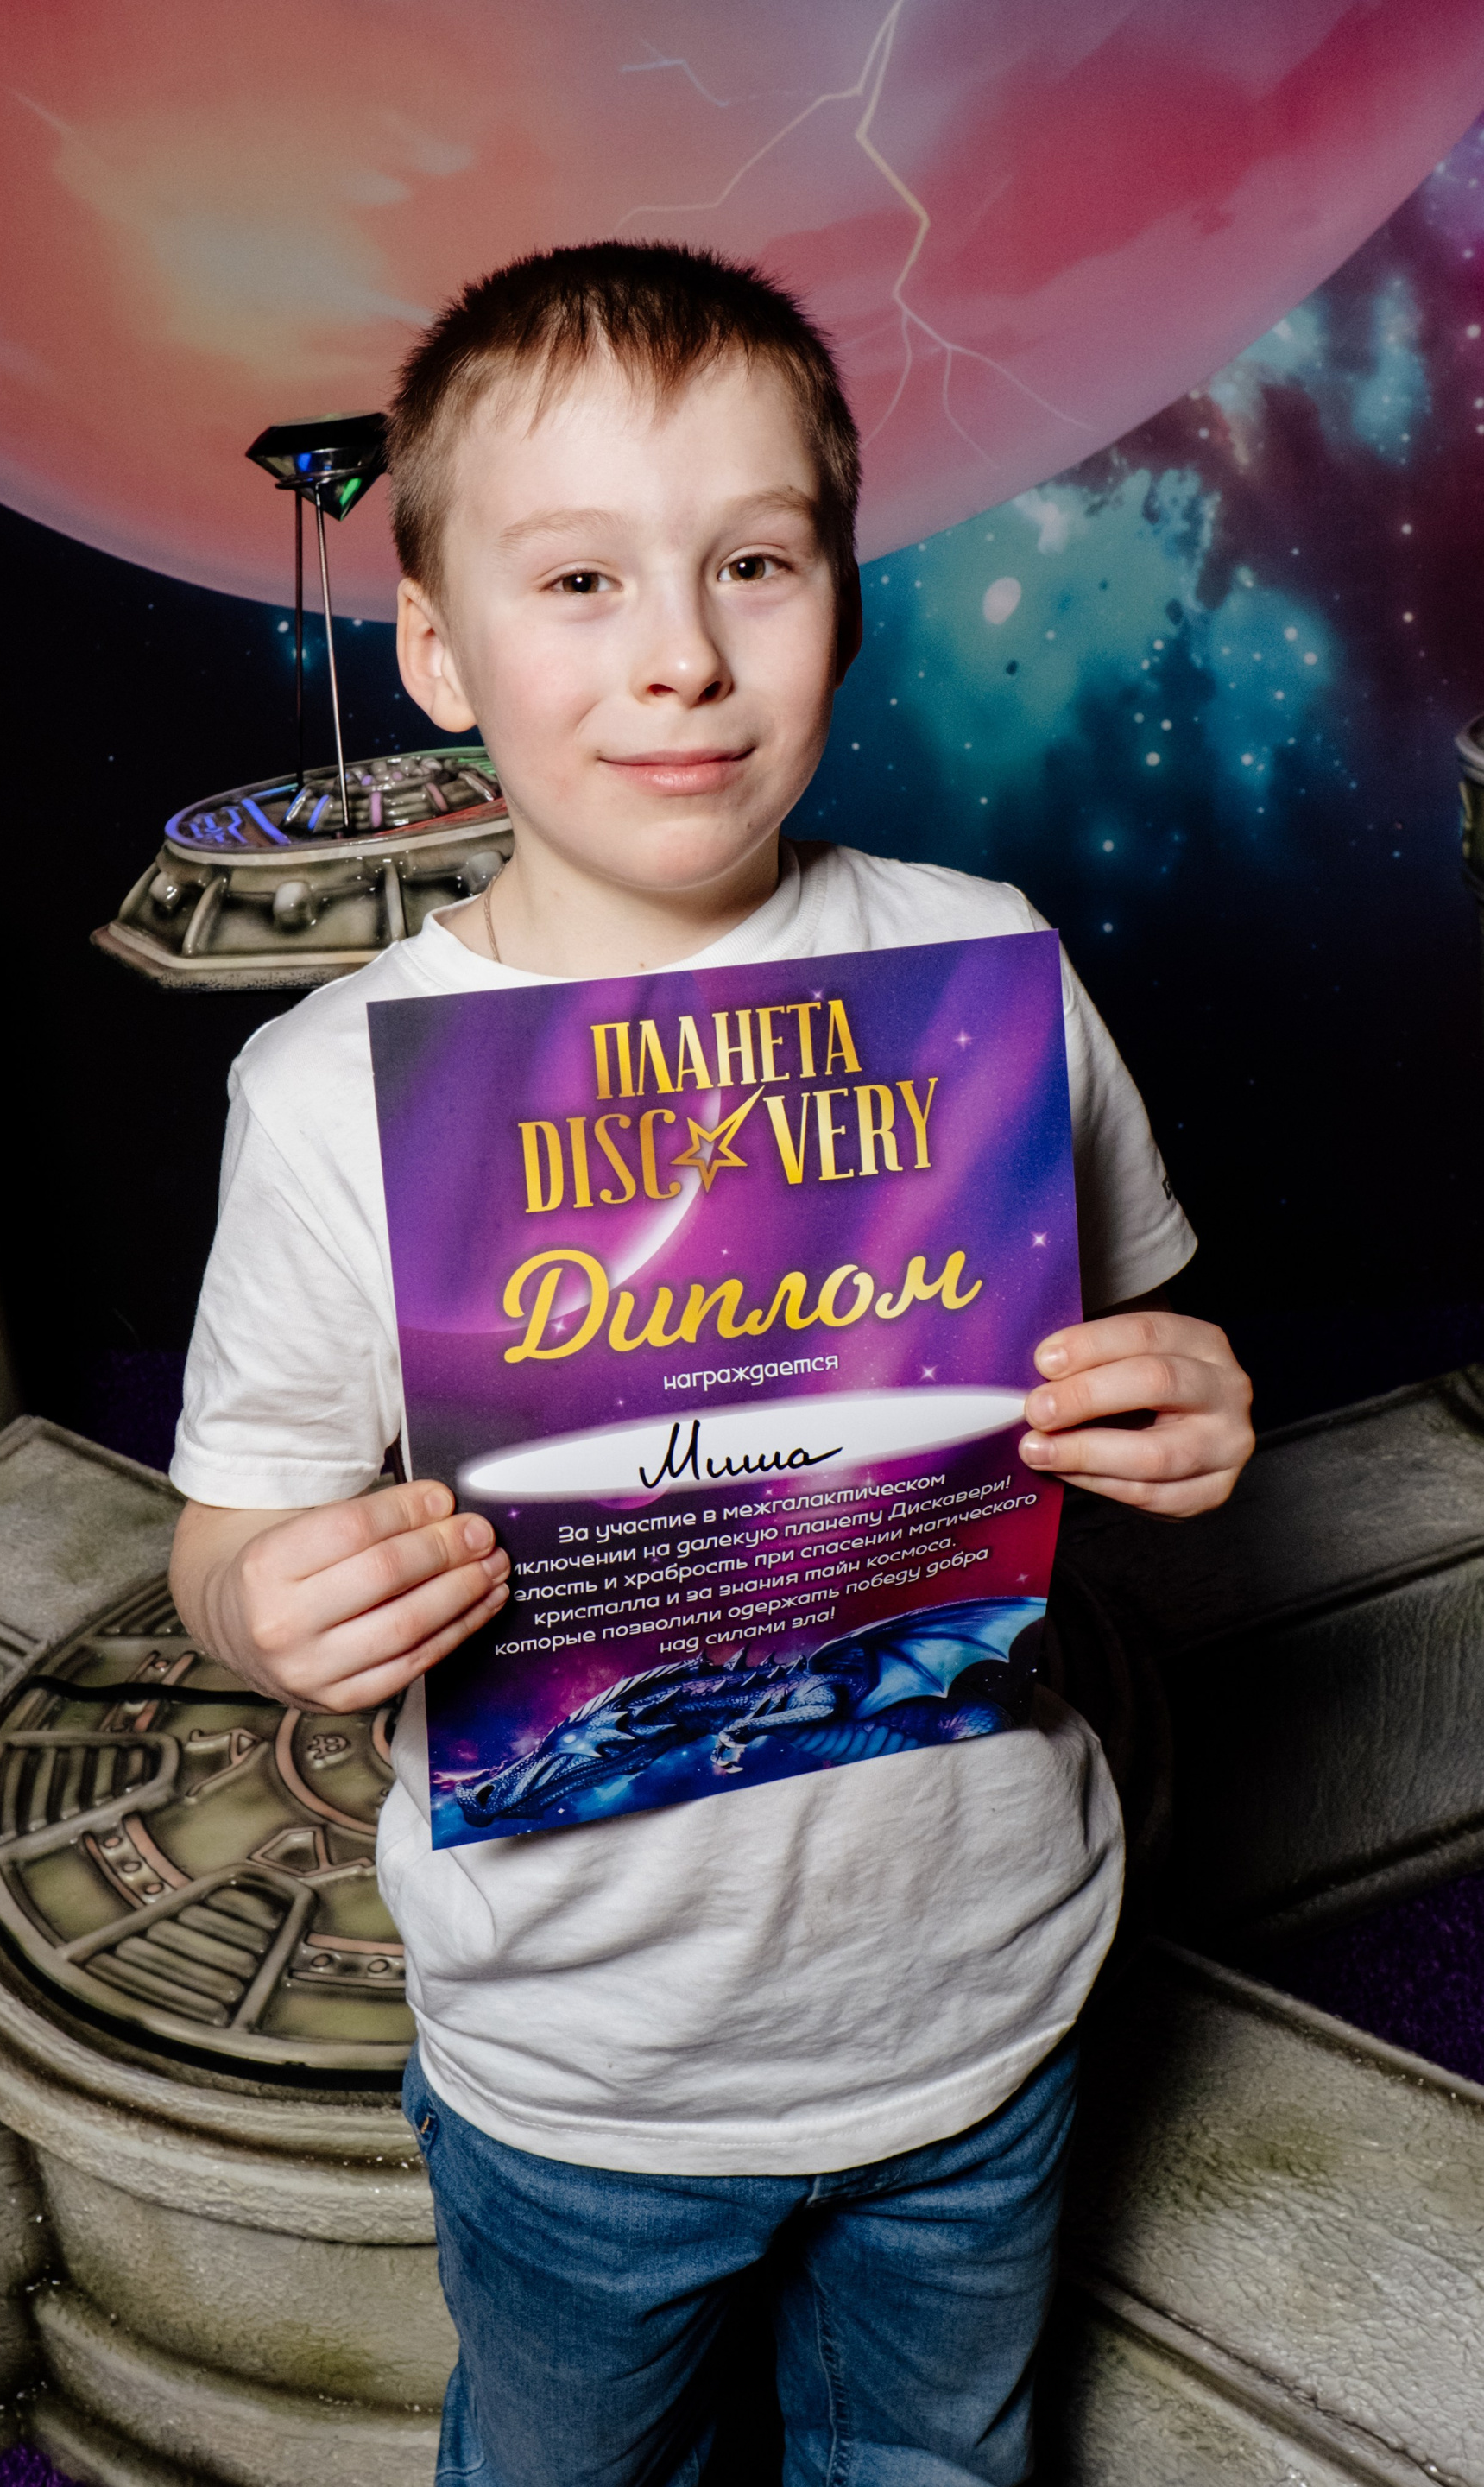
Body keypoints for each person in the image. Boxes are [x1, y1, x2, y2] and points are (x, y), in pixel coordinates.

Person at [168, 241, 1254, 2487]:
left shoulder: (992, 971)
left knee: (935, 2459)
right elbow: (229, 1530)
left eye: (752, 562)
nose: (680, 652)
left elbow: (1143, 1355)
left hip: (985, 2003)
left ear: (843, 601)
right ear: (439, 651)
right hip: (582, 2078)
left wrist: (1183, 1413)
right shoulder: (327, 1095)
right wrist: (264, 1604)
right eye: (579, 580)